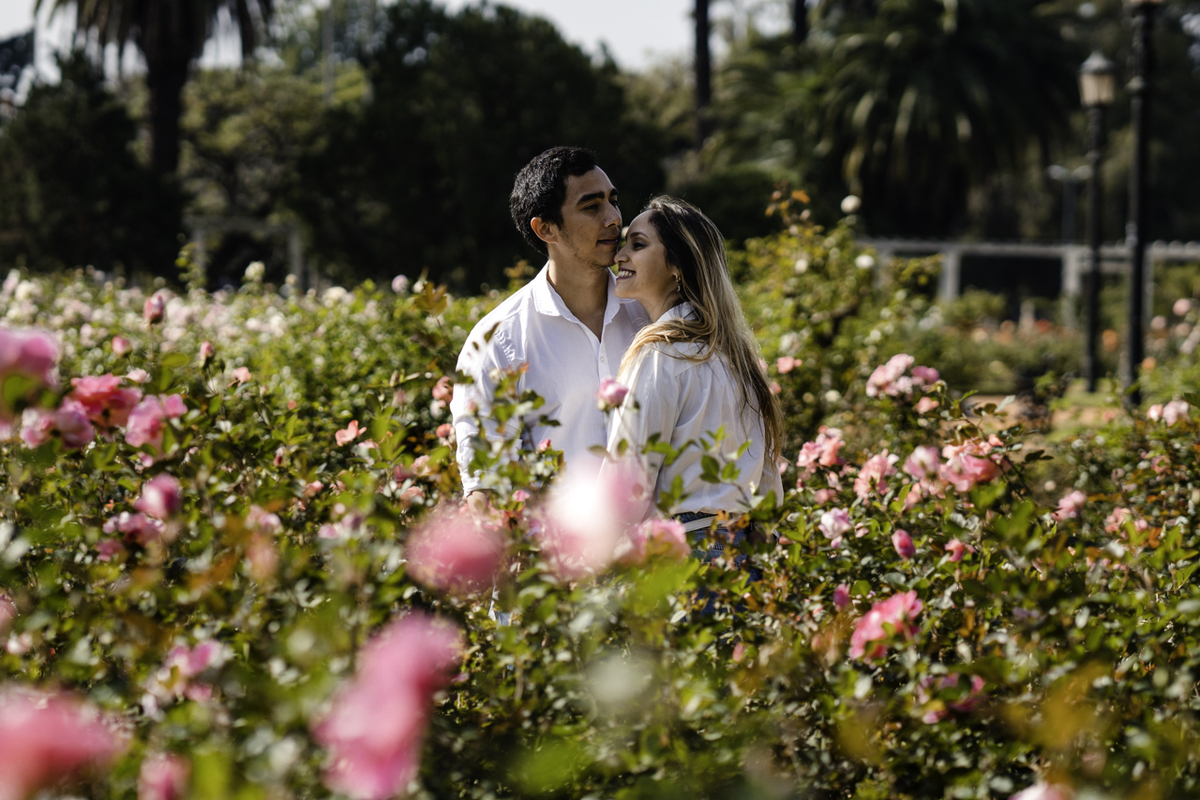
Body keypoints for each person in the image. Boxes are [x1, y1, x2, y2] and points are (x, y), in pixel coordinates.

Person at [451, 147, 648, 505]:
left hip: (663, 550)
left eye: (613, 201)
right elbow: (487, 485)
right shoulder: (500, 340)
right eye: (591, 207)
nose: (614, 218)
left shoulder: (650, 313)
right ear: (545, 229)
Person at [604, 195, 784, 543]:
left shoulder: (660, 355)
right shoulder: (738, 358)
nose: (619, 256)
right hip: (747, 556)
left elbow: (627, 487)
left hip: (686, 554)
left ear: (677, 266)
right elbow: (768, 487)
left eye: (637, 245)